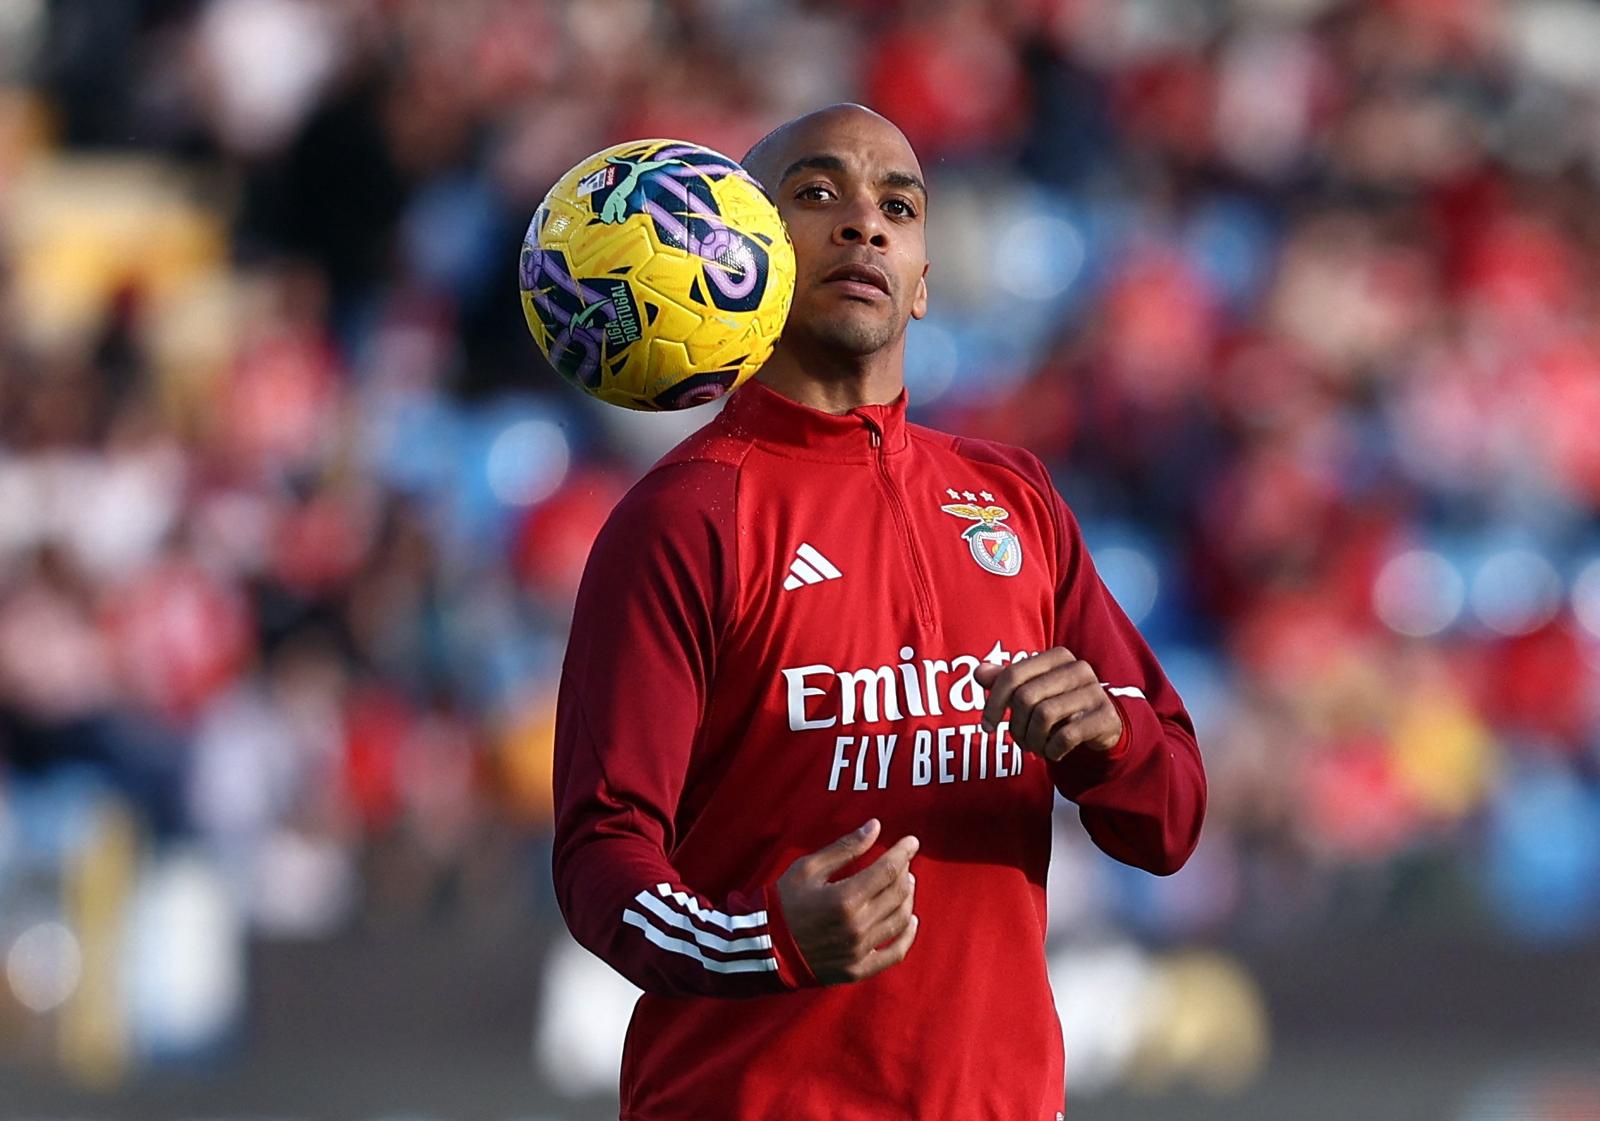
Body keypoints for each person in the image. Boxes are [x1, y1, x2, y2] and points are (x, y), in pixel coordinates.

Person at [551, 103, 1206, 1120]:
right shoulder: (684, 517)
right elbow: (600, 854)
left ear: (926, 280)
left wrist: (1107, 740)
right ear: (742, 250)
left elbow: (1168, 818)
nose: (865, 224)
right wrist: (759, 938)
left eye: (898, 205)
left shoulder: (1012, 496)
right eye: (817, 195)